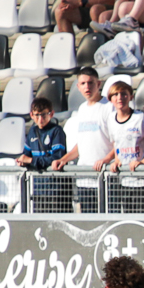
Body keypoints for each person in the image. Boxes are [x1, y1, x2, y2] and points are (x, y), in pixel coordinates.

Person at [50, 67, 112, 214]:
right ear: (78, 86)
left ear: (99, 84)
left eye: (91, 83)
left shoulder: (109, 108)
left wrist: (106, 160)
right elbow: (82, 143)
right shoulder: (82, 109)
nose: (87, 87)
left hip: (106, 178)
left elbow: (117, 142)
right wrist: (63, 160)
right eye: (83, 83)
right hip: (85, 178)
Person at [101, 80, 144, 213]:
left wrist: (143, 162)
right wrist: (116, 161)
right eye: (115, 94)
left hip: (142, 182)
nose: (120, 98)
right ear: (110, 99)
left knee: (142, 221)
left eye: (123, 94)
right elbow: (116, 143)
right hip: (124, 181)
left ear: (130, 97)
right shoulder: (111, 119)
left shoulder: (140, 118)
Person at [16, 96, 68, 213]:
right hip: (38, 188)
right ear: (31, 115)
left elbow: (57, 158)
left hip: (56, 189)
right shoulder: (33, 132)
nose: (40, 119)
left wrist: (31, 161)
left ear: (51, 114)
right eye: (37, 115)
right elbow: (27, 153)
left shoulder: (57, 131)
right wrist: (22, 161)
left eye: (44, 115)